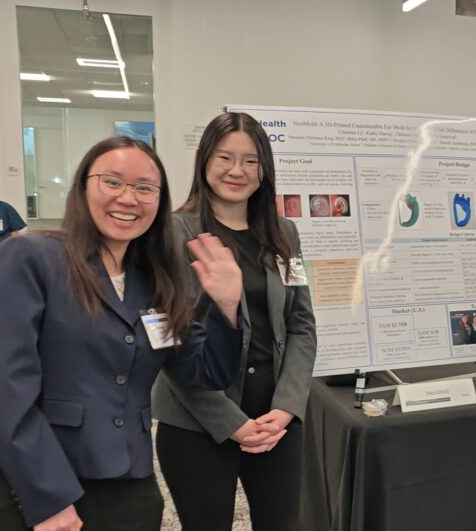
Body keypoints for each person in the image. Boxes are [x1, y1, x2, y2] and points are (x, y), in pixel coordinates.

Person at [0, 137, 244, 531]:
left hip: (127, 482)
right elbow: (4, 389)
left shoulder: (156, 282)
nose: (128, 198)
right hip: (30, 483)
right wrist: (49, 499)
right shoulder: (32, 258)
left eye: (144, 188)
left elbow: (203, 375)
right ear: (83, 187)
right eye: (112, 182)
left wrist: (226, 306)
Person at [152, 112, 317, 531]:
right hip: (196, 421)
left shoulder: (284, 233)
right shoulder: (171, 233)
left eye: (251, 160)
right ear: (203, 159)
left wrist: (287, 406)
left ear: (265, 168)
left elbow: (301, 324)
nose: (237, 171)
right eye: (226, 157)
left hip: (274, 418)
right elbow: (170, 343)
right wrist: (232, 423)